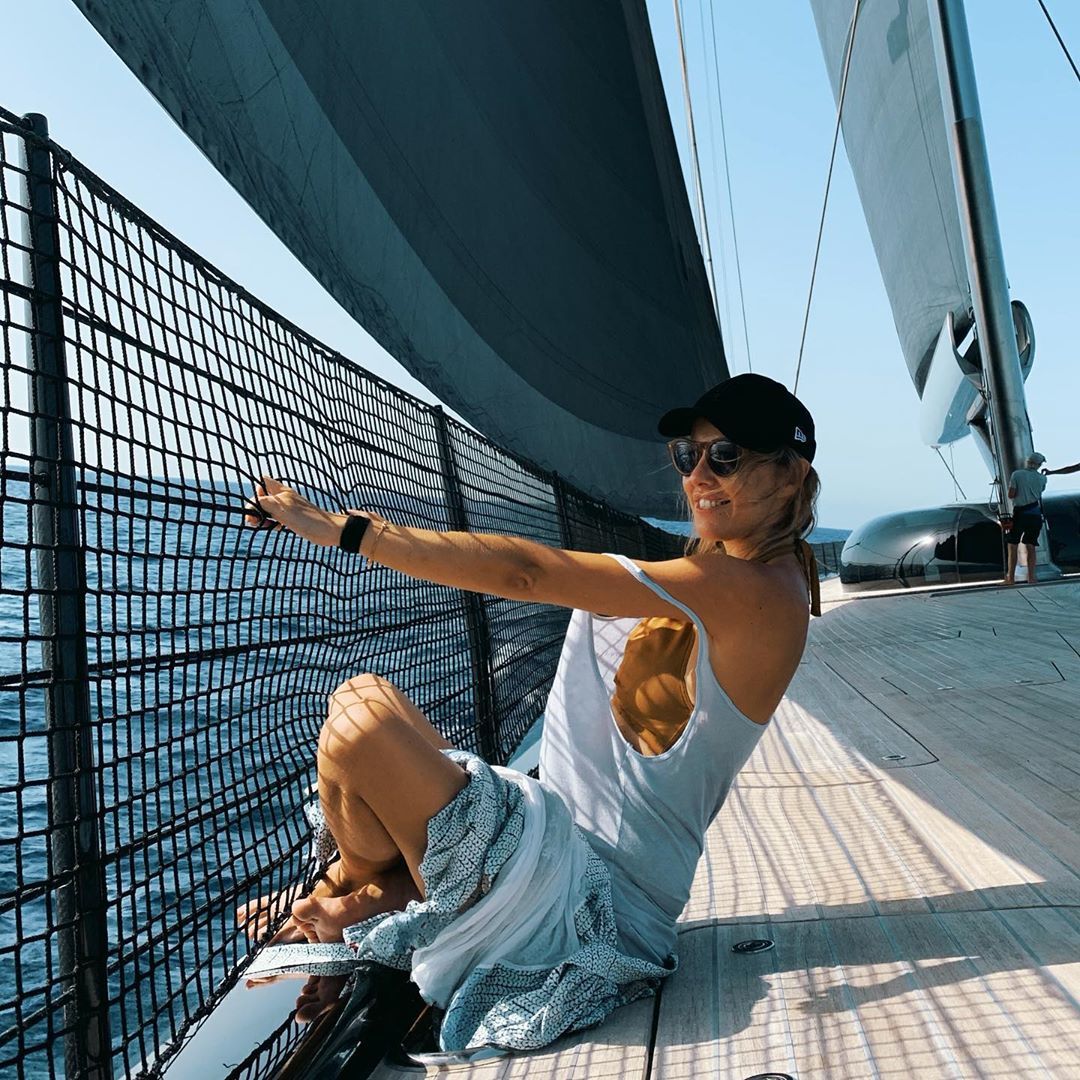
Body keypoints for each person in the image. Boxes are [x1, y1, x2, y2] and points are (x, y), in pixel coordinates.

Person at [236, 373, 821, 1050]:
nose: (698, 476)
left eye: (726, 457)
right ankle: (354, 902)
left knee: (361, 729)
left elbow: (528, 574)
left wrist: (345, 530)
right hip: (552, 841)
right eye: (688, 456)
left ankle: (352, 908)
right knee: (359, 697)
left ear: (789, 474)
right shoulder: (720, 571)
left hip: (594, 903)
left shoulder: (752, 588)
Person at [1003, 452, 1048, 584]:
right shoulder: (1043, 478)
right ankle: (1032, 577)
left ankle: (1010, 578)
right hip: (1035, 515)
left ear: (1028, 462)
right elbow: (1039, 492)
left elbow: (1011, 494)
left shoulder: (1017, 474)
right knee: (1031, 545)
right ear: (1039, 465)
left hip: (1020, 514)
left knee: (1013, 544)